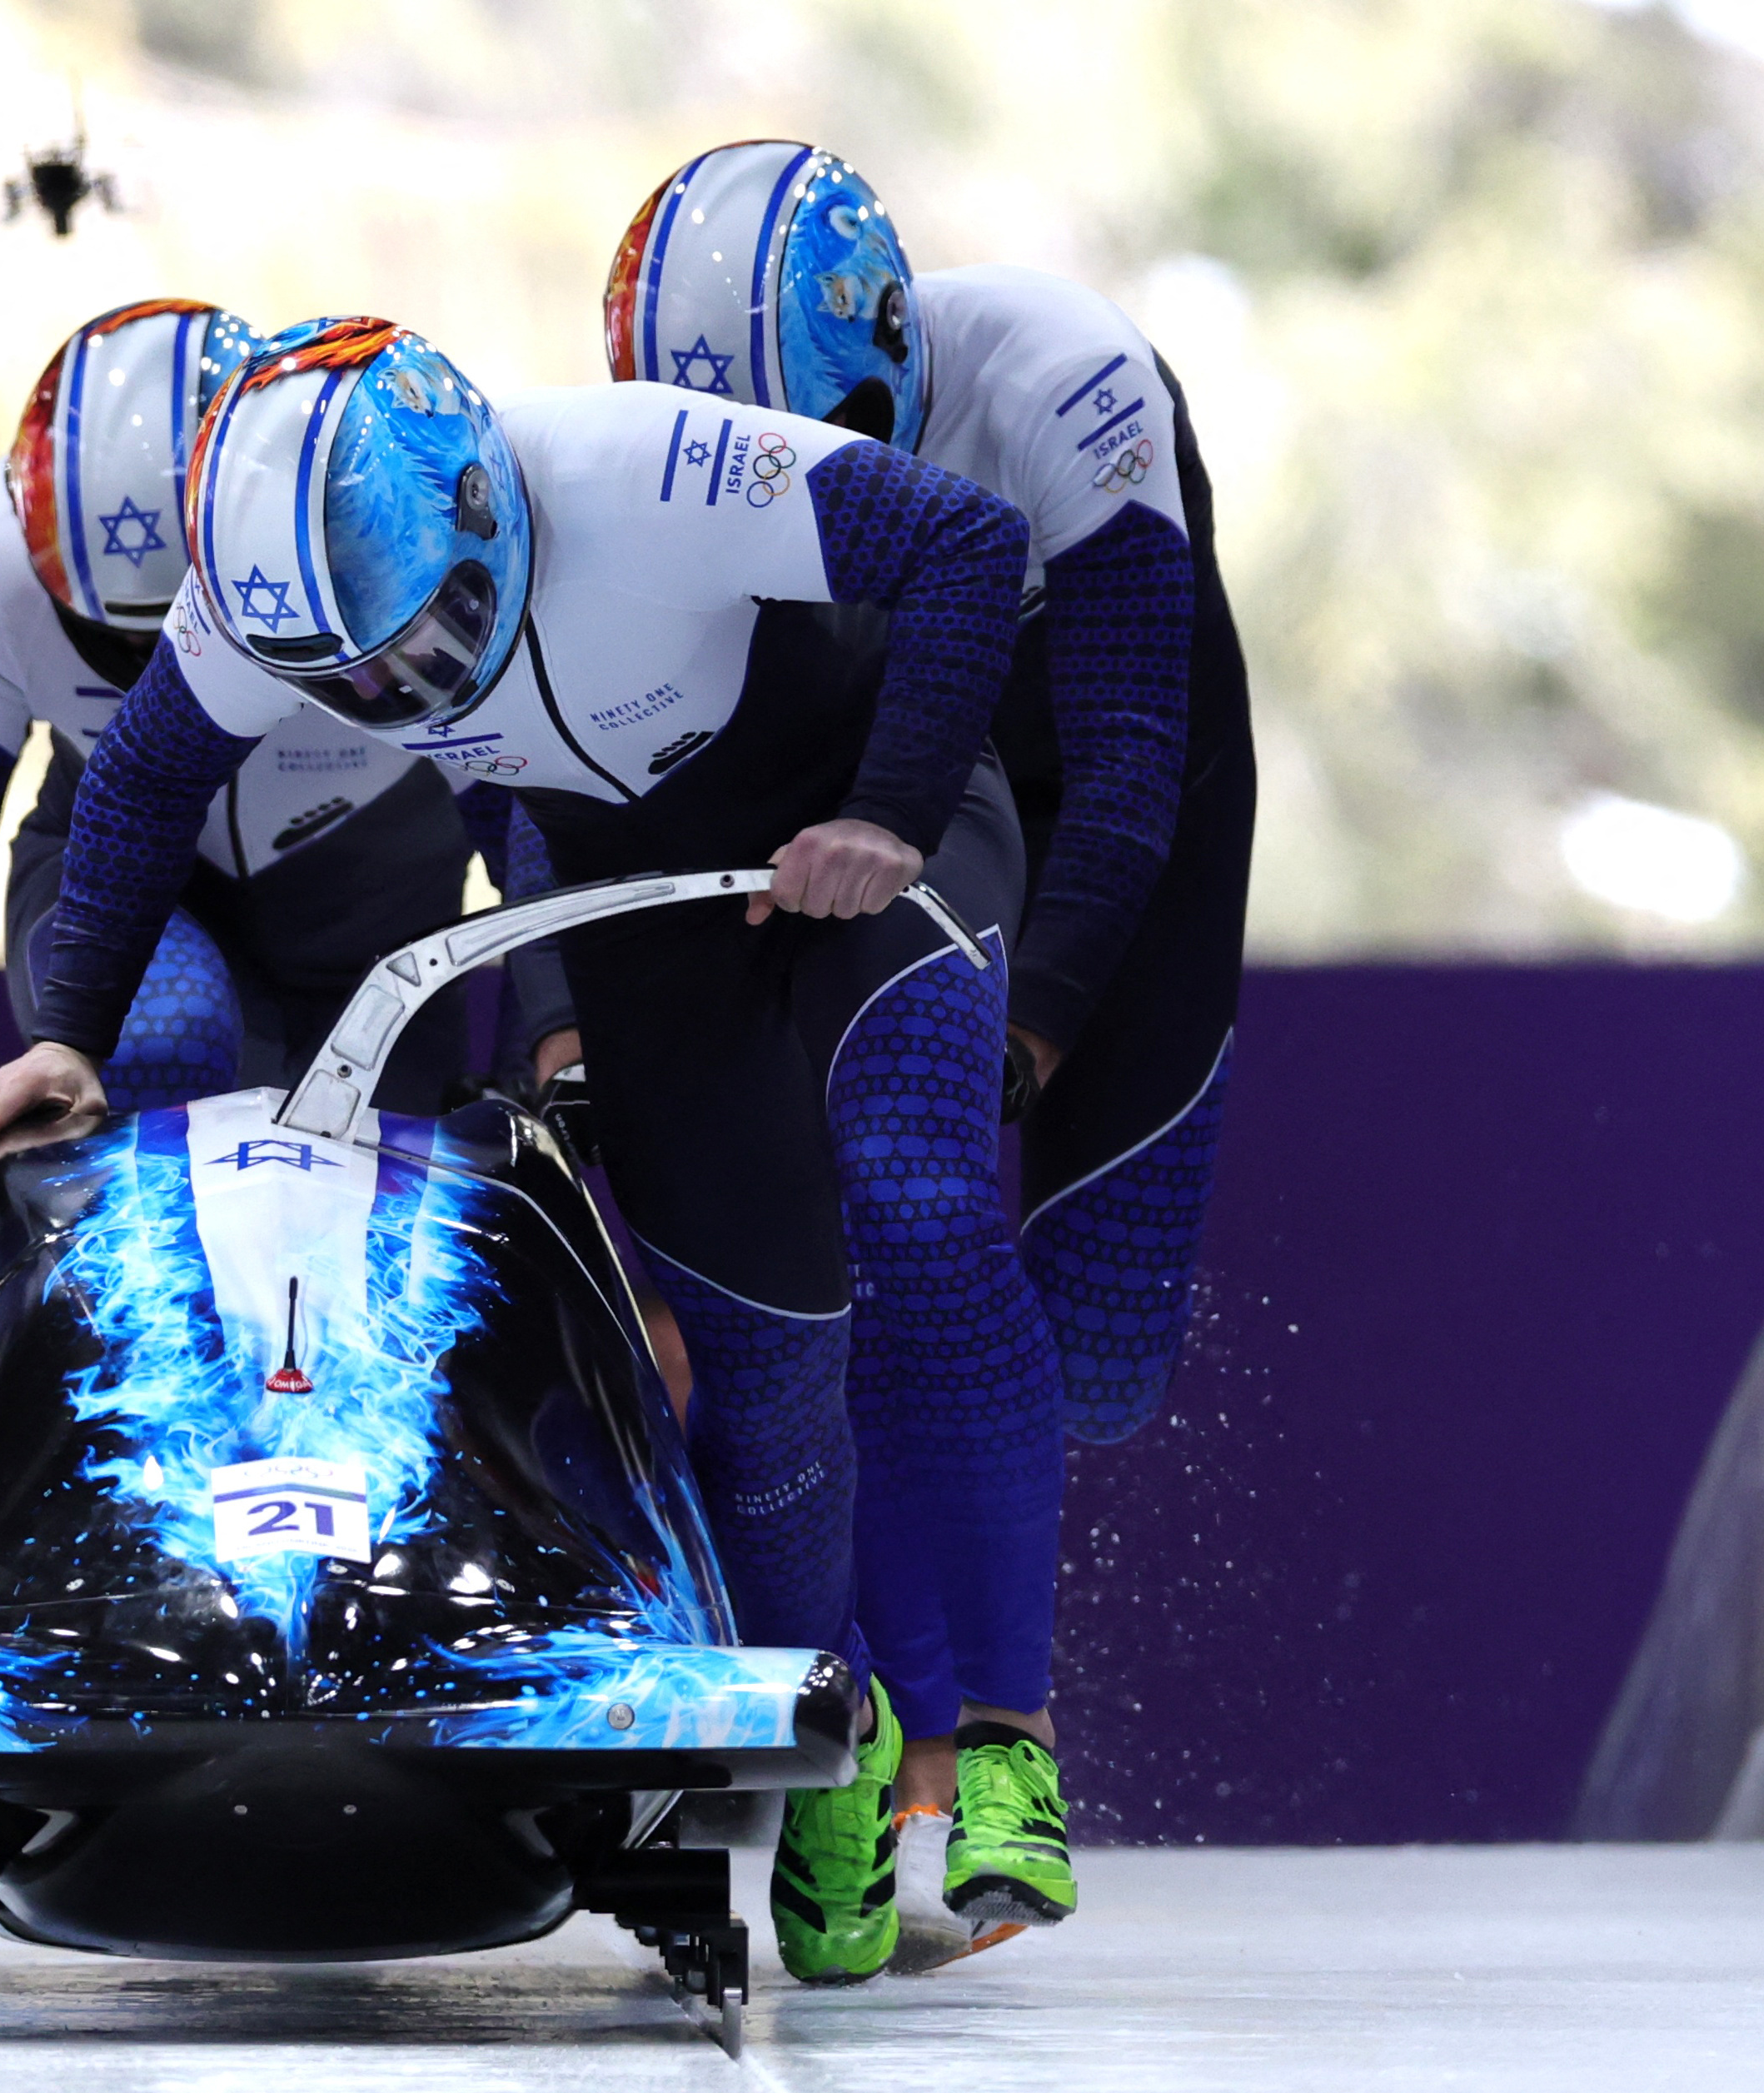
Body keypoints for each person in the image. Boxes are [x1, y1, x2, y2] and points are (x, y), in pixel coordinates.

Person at [0, 315, 1046, 1987]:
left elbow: (965, 542)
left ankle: (1007, 1727)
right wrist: (66, 1028)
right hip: (653, 901)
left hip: (867, 831)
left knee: (912, 1192)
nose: (404, 692)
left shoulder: (644, 464)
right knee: (761, 1352)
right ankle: (845, 1727)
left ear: (484, 511)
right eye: (354, 681)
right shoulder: (265, 609)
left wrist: (883, 806)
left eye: (429, 633)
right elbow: (144, 781)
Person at [607, 141, 1254, 1966]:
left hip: (1110, 771)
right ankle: (934, 1737)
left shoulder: (1063, 377)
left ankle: (946, 1696)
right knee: (891, 1218)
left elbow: (1127, 772)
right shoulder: (676, 449)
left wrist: (1036, 1027)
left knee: (1095, 1353)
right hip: (897, 773)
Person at [0, 300, 482, 1111]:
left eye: (177, 623)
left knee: (359, 1202)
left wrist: (552, 1039)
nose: (153, 664)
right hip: (129, 885)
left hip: (373, 910)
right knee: (160, 1035)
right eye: (107, 633)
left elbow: (529, 803)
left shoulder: (392, 547)